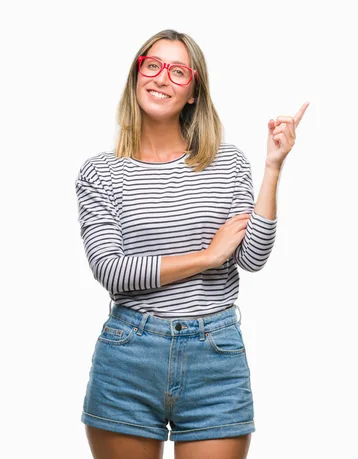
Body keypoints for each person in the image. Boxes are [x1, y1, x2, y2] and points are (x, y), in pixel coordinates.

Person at [75, 29, 309, 459]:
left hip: (215, 357)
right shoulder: (101, 173)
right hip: (129, 357)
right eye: (152, 66)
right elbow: (111, 270)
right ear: (136, 76)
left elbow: (253, 257)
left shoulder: (227, 162)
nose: (162, 78)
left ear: (193, 93)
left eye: (177, 71)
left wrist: (272, 168)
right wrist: (208, 257)